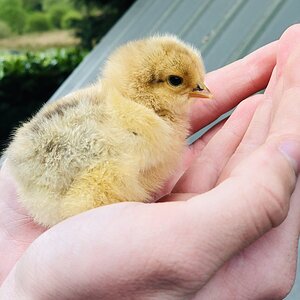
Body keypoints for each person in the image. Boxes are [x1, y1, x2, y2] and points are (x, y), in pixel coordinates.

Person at [1, 24, 300, 299]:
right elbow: (90, 181)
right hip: (58, 193)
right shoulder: (143, 126)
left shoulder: (105, 100)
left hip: (35, 189)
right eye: (176, 81)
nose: (200, 90)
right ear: (145, 84)